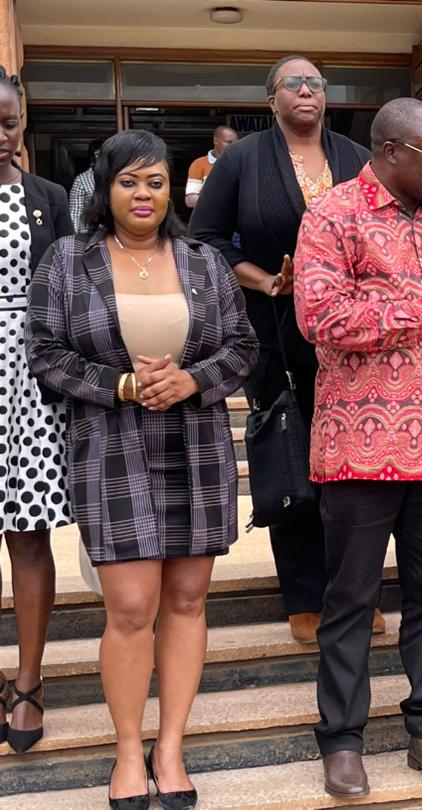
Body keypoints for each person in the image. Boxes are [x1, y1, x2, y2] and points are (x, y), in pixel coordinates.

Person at [26, 129, 257, 809]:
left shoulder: (202, 261)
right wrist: (123, 386)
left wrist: (193, 380)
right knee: (130, 607)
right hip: (111, 445)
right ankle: (129, 750)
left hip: (197, 443)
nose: (143, 194)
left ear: (170, 189)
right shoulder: (67, 261)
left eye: (155, 181)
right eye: (129, 181)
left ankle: (171, 747)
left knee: (187, 600)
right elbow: (44, 351)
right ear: (104, 187)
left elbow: (243, 345)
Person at [293, 97, 422, 799]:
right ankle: (342, 742)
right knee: (349, 598)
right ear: (388, 150)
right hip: (357, 447)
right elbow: (321, 317)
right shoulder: (332, 214)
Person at [189, 55, 374, 643]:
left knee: (353, 471)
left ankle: (353, 595)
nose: (305, 91)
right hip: (275, 332)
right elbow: (205, 240)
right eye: (292, 83)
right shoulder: (243, 160)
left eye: (316, 82)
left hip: (351, 342)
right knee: (293, 460)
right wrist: (265, 280)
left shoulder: (356, 158)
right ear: (272, 99)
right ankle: (303, 594)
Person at [0, 66, 74, 756]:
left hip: (30, 379)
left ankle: (28, 681)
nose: (1, 136)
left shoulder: (48, 198)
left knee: (27, 532)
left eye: (10, 122)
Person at [184, 125, 238, 208]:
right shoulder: (199, 164)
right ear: (215, 140)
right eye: (229, 142)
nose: (233, 146)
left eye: (236, 143)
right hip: (208, 219)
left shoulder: (241, 164)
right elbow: (190, 200)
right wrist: (218, 201)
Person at [69, 138, 104, 232]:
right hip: (88, 233)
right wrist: (74, 239)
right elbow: (75, 212)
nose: (100, 158)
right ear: (92, 157)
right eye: (97, 154)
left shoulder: (116, 177)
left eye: (103, 154)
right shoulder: (81, 180)